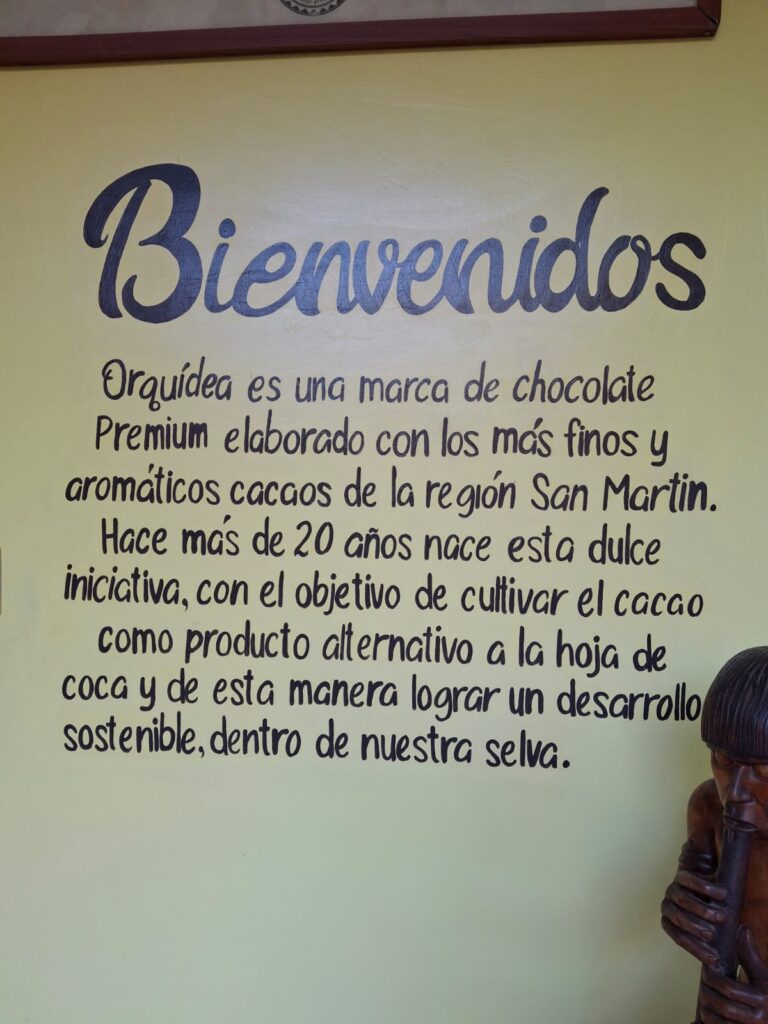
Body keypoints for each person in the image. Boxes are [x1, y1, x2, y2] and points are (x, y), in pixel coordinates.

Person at [662, 647, 768, 1023]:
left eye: (763, 771)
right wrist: (682, 909)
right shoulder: (708, 807)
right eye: (723, 761)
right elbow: (696, 885)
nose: (735, 792)